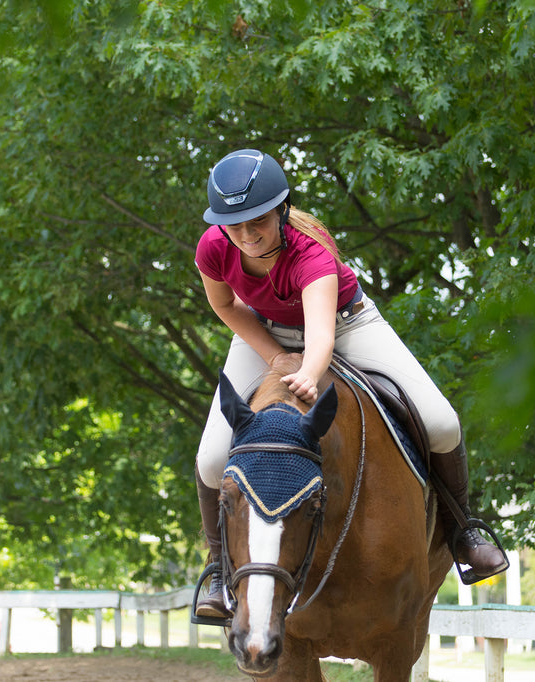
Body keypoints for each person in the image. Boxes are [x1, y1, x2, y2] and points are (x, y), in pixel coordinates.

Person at [193, 149, 507, 619]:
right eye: (233, 226)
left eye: (257, 220)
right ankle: (219, 569)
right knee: (212, 457)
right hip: (264, 330)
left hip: (346, 322)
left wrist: (306, 375)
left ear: (281, 208)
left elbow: (321, 336)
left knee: (442, 422)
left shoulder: (310, 251)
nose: (246, 236)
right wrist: (274, 356)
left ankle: (464, 531)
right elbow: (225, 307)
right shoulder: (213, 248)